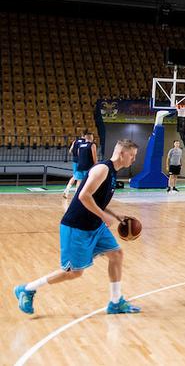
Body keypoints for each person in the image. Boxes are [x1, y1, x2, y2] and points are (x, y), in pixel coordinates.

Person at [14, 135, 145, 316]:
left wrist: (114, 214)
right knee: (73, 272)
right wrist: (104, 216)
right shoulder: (102, 169)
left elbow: (97, 200)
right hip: (76, 227)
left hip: (94, 226)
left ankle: (115, 302)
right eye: (133, 155)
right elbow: (84, 196)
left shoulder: (113, 172)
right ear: (122, 153)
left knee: (116, 254)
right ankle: (27, 289)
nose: (134, 159)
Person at [63, 131, 97, 199]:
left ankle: (67, 190)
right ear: (85, 136)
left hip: (76, 161)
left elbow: (70, 151)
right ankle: (79, 193)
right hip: (83, 161)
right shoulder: (88, 143)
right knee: (83, 179)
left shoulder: (75, 141)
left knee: (76, 177)